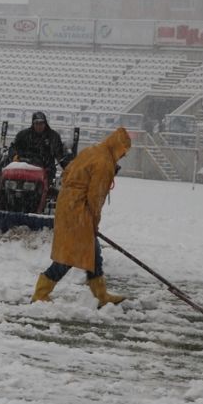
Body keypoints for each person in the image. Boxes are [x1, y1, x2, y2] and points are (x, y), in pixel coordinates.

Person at [31, 126, 132, 308]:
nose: (123, 156)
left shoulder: (92, 151)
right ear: (118, 147)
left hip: (67, 204)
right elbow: (96, 197)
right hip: (79, 210)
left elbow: (68, 170)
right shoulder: (105, 163)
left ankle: (101, 294)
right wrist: (94, 222)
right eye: (124, 152)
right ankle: (41, 293)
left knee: (92, 252)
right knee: (69, 256)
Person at [9, 111, 70, 184]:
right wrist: (14, 156)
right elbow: (13, 147)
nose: (39, 126)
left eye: (41, 123)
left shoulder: (53, 137)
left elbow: (59, 155)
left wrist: (68, 169)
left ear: (45, 123)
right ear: (33, 123)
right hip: (24, 168)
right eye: (36, 123)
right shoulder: (23, 135)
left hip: (46, 170)